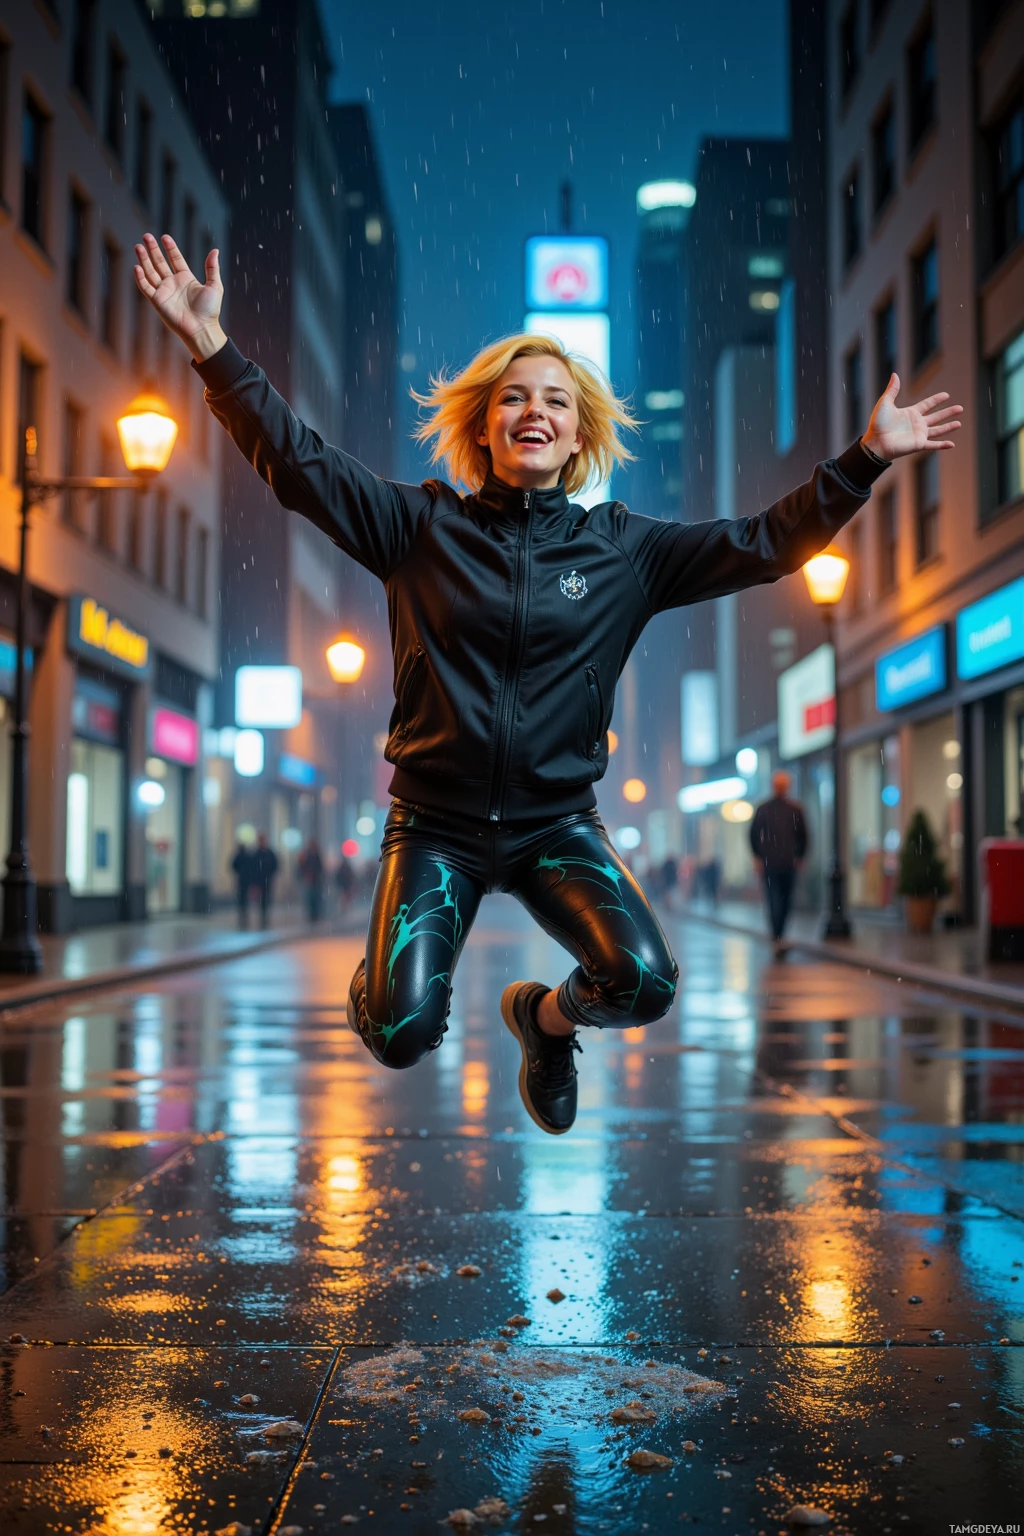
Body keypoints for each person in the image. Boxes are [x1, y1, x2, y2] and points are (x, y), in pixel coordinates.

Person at [133, 230, 962, 1136]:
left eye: (557, 401)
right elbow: (296, 462)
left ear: (578, 433)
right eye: (514, 397)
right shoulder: (418, 527)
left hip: (554, 826)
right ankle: (389, 986)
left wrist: (865, 462)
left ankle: (543, 1021)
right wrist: (210, 347)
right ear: (484, 423)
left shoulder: (624, 551)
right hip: (436, 827)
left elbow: (763, 544)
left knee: (643, 981)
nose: (535, 411)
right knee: (400, 1031)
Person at [750, 771, 808, 954]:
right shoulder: (791, 809)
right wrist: (799, 856)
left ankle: (778, 935)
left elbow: (803, 836)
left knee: (777, 899)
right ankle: (778, 935)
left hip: (776, 862)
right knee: (781, 900)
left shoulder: (767, 809)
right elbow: (804, 836)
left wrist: (758, 855)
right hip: (780, 862)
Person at [251, 833, 279, 929]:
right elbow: (253, 868)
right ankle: (262, 918)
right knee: (261, 901)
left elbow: (275, 865)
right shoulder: (256, 853)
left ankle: (265, 918)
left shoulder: (269, 853)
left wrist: (270, 874)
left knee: (266, 900)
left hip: (267, 881)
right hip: (259, 882)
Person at [297, 837, 325, 923]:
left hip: (316, 882)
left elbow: (320, 868)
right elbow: (301, 868)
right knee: (310, 900)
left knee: (316, 900)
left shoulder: (316, 856)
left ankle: (315, 915)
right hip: (309, 882)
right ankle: (312, 916)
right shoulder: (306, 856)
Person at [231, 840, 254, 929]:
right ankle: (244, 917)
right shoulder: (247, 857)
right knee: (245, 900)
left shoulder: (238, 856)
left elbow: (233, 866)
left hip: (241, 880)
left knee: (241, 900)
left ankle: (242, 917)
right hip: (246, 881)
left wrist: (239, 872)